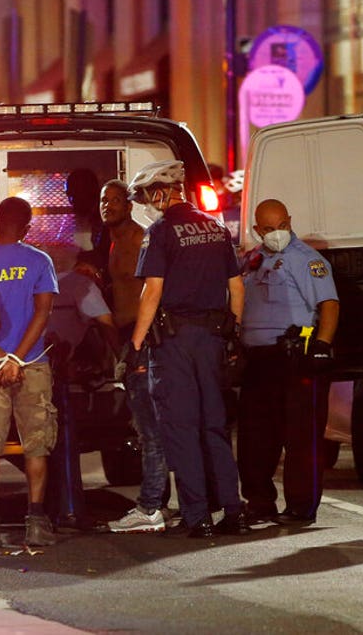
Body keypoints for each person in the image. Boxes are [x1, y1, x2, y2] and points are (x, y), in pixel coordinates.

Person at [122, 159, 249, 539]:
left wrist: (136, 341)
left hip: (175, 343)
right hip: (212, 339)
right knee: (215, 428)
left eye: (146, 195)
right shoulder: (215, 227)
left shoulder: (160, 231)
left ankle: (198, 518)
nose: (147, 202)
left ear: (162, 191)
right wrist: (233, 333)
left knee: (181, 429)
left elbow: (152, 290)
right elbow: (237, 288)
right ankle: (233, 511)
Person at [236, 199, 339, 526]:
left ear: (289, 221)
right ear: (257, 230)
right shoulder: (251, 259)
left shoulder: (307, 260)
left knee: (301, 438)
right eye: (268, 228)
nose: (276, 233)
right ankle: (259, 501)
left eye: (281, 225)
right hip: (258, 360)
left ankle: (300, 506)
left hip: (295, 357)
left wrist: (322, 345)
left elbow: (329, 304)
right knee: (255, 437)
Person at [0, 197, 60, 548]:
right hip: (32, 363)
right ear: (27, 227)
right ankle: (36, 523)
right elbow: (43, 314)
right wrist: (18, 359)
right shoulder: (40, 261)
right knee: (37, 446)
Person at [98, 177, 172, 534]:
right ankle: (161, 501)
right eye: (103, 200)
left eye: (114, 200)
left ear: (129, 205)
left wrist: (140, 340)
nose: (107, 206)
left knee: (150, 428)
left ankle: (153, 505)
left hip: (141, 337)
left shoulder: (142, 237)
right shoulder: (110, 242)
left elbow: (153, 290)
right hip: (127, 338)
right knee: (144, 424)